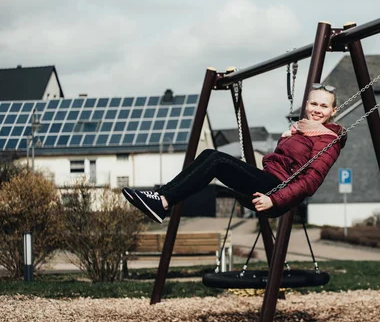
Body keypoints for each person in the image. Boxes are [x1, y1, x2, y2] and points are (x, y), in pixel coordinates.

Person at [123, 83, 346, 223]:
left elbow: (310, 182)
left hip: (276, 190)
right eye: (314, 104)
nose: (317, 110)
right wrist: (290, 136)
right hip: (269, 179)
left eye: (324, 106)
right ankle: (161, 198)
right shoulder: (301, 129)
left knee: (217, 160)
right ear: (306, 104)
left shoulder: (328, 139)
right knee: (210, 156)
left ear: (333, 111)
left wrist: (274, 200)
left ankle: (162, 201)